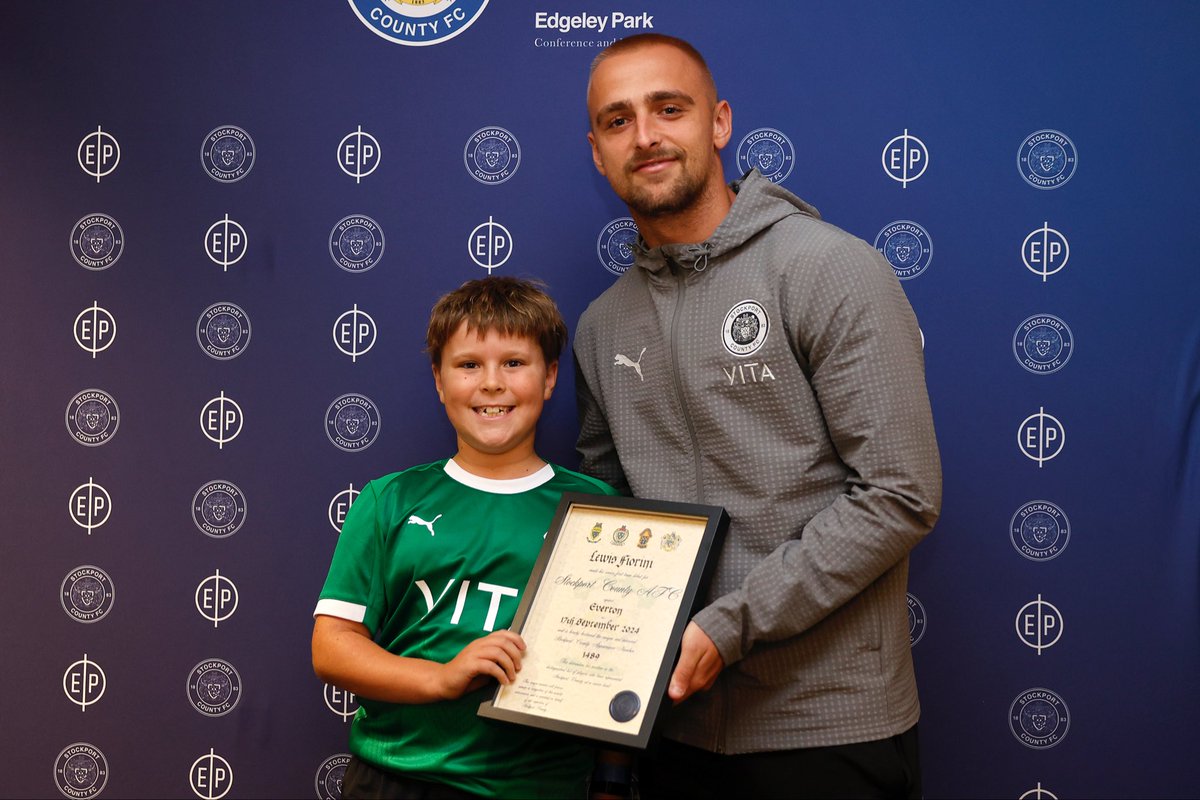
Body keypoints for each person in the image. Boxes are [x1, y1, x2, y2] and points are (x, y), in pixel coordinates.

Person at [573, 34, 942, 799]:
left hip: (828, 730)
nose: (645, 136)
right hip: (672, 729)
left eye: (668, 109)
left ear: (718, 123)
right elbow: (605, 518)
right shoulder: (601, 326)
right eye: (617, 121)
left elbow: (900, 494)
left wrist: (728, 624)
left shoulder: (828, 268)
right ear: (597, 152)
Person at [312, 276, 618, 799]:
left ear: (549, 378)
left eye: (515, 363)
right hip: (399, 777)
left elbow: (618, 657)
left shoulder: (597, 509)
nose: (492, 383)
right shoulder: (391, 499)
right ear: (439, 379)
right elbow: (333, 647)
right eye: (469, 364)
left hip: (541, 786)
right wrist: (442, 677)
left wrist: (612, 782)